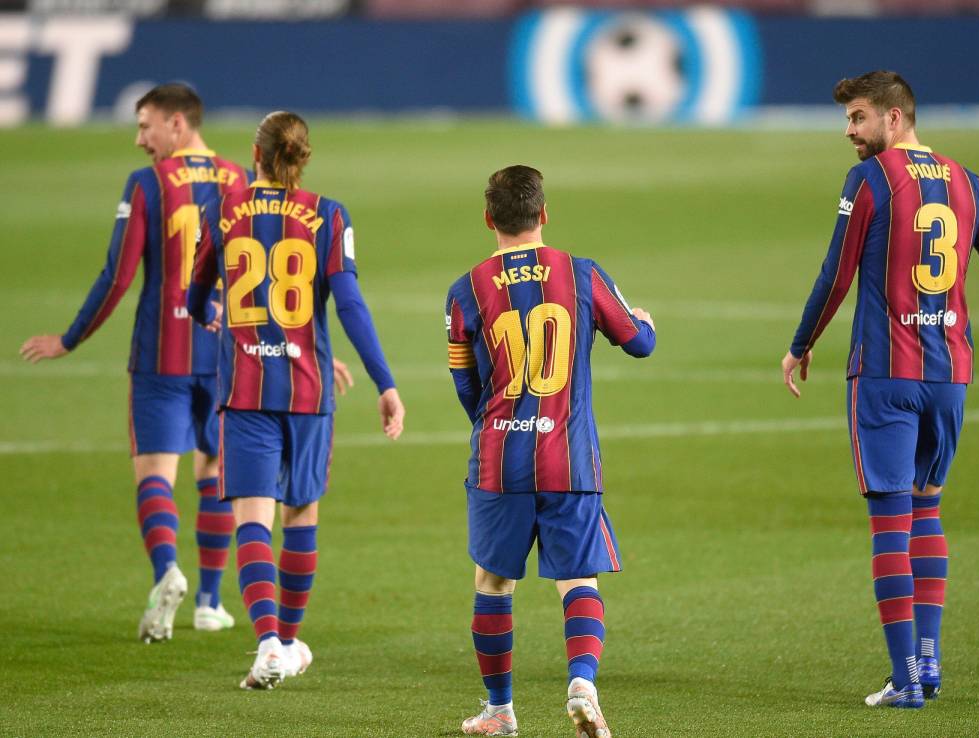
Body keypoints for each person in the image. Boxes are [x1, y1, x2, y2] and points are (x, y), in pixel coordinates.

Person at [780, 71, 979, 708]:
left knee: (891, 523)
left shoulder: (869, 182)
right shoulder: (969, 183)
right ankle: (929, 662)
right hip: (949, 376)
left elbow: (836, 272)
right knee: (927, 512)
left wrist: (801, 342)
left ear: (894, 119)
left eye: (858, 118)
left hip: (885, 378)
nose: (849, 132)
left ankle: (905, 681)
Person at [19, 83, 254, 641]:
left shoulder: (149, 184)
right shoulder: (240, 180)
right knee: (216, 472)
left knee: (155, 474)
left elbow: (118, 276)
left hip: (161, 352)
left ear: (177, 124)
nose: (139, 140)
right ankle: (208, 601)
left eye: (145, 126)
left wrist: (70, 339)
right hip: (224, 355)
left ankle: (166, 570)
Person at [187, 110, 405, 690]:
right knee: (301, 514)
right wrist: (384, 382)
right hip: (309, 391)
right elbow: (350, 306)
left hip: (246, 391)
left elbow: (197, 290)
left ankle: (269, 646)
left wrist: (217, 314)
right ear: (302, 158)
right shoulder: (329, 215)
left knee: (251, 518)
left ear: (254, 154)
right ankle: (287, 638)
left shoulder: (223, 209)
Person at [445, 165, 655, 737]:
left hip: (499, 459)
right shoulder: (580, 274)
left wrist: (496, 430)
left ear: (489, 218)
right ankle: (582, 682)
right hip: (570, 458)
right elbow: (639, 344)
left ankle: (499, 710)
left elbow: (464, 383)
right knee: (579, 580)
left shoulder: (465, 289)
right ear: (544, 214)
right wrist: (643, 322)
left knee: (492, 582)